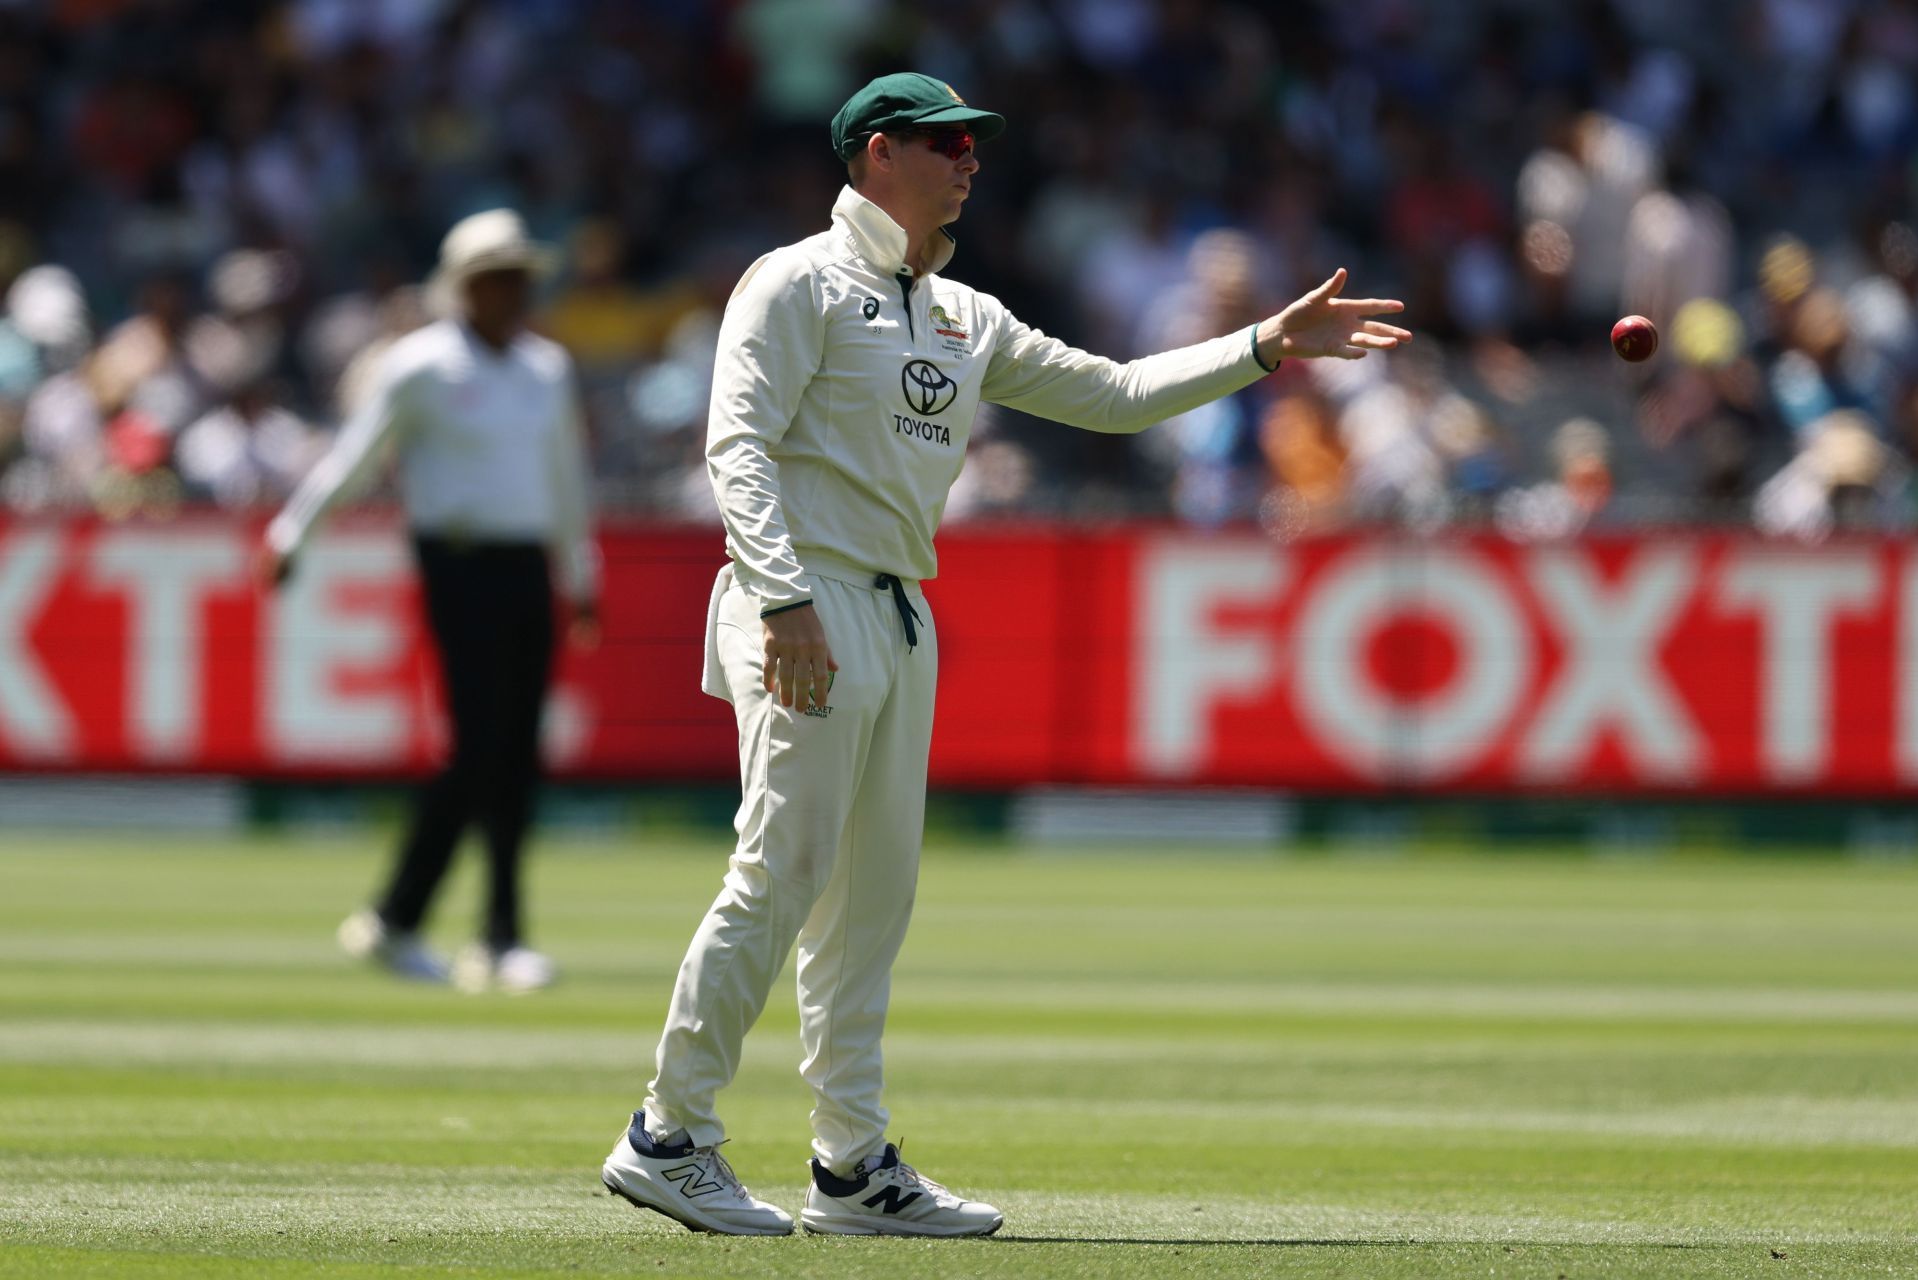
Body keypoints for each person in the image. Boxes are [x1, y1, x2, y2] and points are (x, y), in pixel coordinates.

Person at [598, 72, 1410, 1237]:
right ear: (880, 153)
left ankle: (851, 1162)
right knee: (781, 868)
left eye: (976, 145)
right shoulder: (793, 281)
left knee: (872, 899)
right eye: (950, 144)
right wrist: (781, 601)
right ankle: (667, 1132)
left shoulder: (965, 313)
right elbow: (738, 446)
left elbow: (1119, 394)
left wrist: (1263, 345)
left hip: (897, 607)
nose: (972, 161)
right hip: (806, 596)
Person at [259, 209, 601, 994]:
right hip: (454, 563)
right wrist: (291, 534)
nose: (515, 293)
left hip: (524, 568)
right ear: (466, 286)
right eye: (500, 278)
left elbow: (565, 484)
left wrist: (582, 578)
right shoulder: (420, 365)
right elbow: (354, 456)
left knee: (515, 754)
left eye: (521, 278)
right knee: (479, 747)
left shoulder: (546, 370)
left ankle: (498, 934)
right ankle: (401, 918)